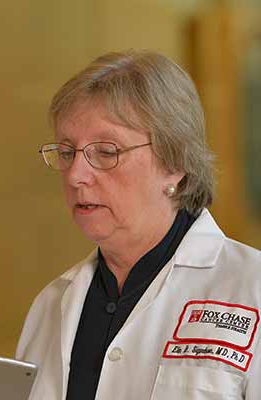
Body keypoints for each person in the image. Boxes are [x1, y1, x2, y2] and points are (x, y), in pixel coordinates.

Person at [16, 49, 261, 400]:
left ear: (174, 162)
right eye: (68, 152)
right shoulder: (50, 305)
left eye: (106, 151)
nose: (76, 175)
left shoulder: (252, 289)